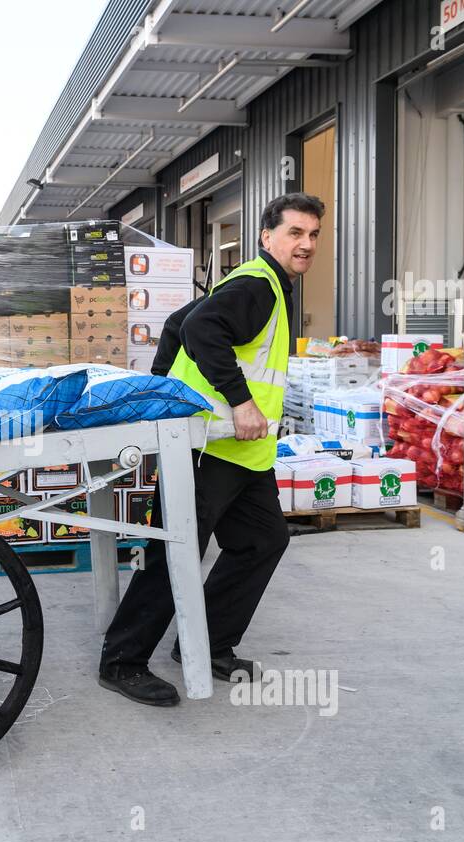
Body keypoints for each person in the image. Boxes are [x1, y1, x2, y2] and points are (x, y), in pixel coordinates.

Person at [98, 192, 325, 707]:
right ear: (268, 237)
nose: (305, 244)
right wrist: (239, 402)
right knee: (174, 552)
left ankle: (210, 642)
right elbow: (200, 329)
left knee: (263, 540)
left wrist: (162, 389)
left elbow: (179, 322)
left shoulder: (264, 283)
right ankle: (122, 661)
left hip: (244, 452)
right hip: (209, 443)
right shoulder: (257, 283)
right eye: (295, 233)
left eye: (312, 235)